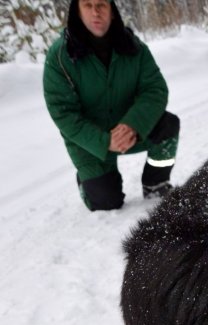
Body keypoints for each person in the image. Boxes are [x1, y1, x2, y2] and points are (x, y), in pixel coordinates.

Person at [43, 0, 180, 211]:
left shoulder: (134, 47)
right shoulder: (60, 57)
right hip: (90, 142)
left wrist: (133, 124)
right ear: (77, 13)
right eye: (88, 5)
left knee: (168, 124)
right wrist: (104, 141)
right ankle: (87, 181)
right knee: (107, 202)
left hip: (130, 132)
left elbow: (155, 90)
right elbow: (63, 114)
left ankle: (155, 182)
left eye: (101, 5)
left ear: (112, 12)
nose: (95, 12)